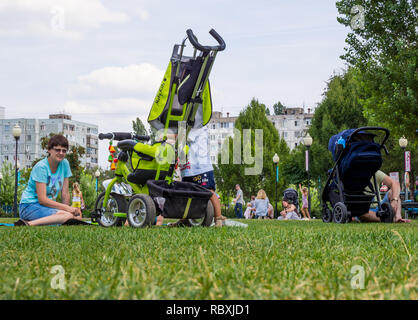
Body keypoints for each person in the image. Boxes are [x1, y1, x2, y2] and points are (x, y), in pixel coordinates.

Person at [15, 135, 82, 226]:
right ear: (49, 150)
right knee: (67, 216)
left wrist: (69, 211)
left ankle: (57, 219)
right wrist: (67, 210)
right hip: (29, 205)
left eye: (64, 150)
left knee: (77, 216)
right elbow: (42, 200)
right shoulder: (41, 167)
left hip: (46, 207)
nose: (61, 153)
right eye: (57, 150)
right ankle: (28, 224)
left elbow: (65, 193)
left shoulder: (65, 164)